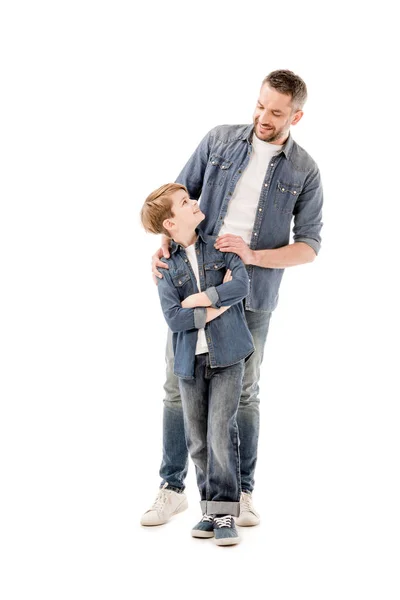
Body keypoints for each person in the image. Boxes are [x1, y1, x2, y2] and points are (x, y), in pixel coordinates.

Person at [141, 69, 323, 528]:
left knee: (244, 395)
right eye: (260, 105)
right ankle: (172, 488)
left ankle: (240, 492)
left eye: (276, 112)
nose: (263, 116)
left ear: (296, 116)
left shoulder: (305, 171)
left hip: (253, 294)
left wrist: (253, 255)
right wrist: (162, 246)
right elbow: (175, 199)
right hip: (194, 284)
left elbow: (309, 247)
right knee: (176, 388)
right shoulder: (219, 140)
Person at [140, 183, 255, 545]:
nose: (194, 204)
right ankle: (208, 508)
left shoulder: (221, 245)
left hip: (229, 354)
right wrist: (215, 308)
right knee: (198, 440)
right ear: (170, 224)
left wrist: (205, 298)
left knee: (222, 431)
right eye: (185, 203)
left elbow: (242, 285)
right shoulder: (165, 266)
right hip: (190, 362)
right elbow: (174, 319)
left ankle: (225, 513)